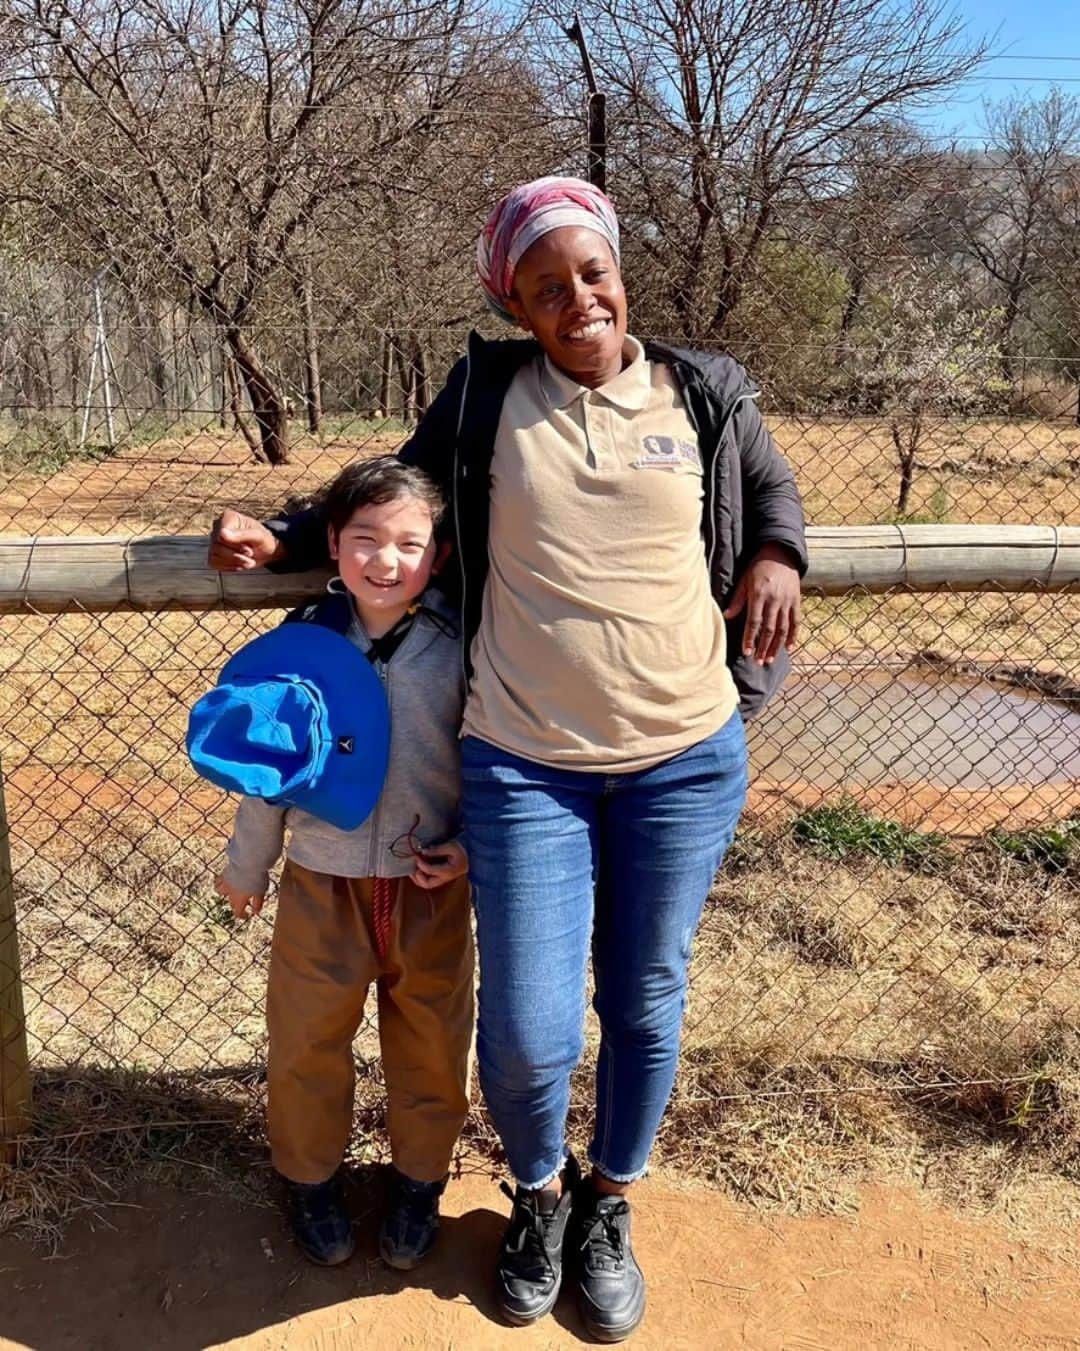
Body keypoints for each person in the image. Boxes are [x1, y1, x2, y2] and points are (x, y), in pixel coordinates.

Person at [209, 176, 806, 1341]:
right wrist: (286, 535)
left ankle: (609, 1201)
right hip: (525, 765)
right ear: (517, 306)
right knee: (530, 1026)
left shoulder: (705, 388)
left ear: (619, 270)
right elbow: (398, 492)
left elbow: (771, 484)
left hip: (683, 756)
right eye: (545, 288)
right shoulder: (489, 392)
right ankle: (538, 1192)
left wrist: (777, 551)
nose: (576, 299)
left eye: (590, 272)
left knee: (643, 999)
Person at [199, 458, 473, 1272]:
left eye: (408, 544)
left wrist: (474, 851)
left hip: (429, 886)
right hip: (322, 883)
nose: (385, 561)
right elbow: (269, 772)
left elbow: (496, 762)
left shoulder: (460, 647)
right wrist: (248, 866)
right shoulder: (306, 646)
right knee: (308, 1039)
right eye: (365, 540)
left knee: (431, 1039)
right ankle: (312, 1180)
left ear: (440, 554)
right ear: (333, 544)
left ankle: (419, 1182)